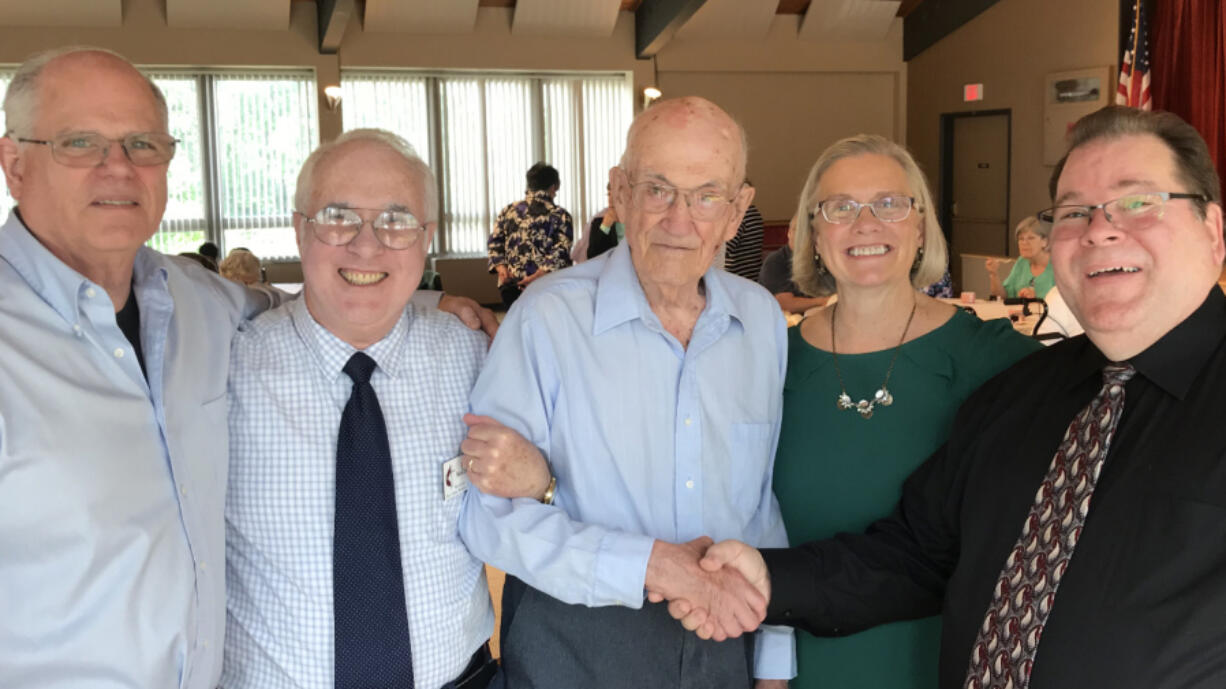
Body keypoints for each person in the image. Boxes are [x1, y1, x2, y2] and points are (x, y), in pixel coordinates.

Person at [677, 106, 1226, 688]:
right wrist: (765, 577)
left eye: (1137, 202)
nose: (1100, 229)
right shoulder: (1023, 394)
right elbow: (916, 554)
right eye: (1074, 212)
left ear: (1213, 230)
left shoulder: (994, 359)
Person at [0, 47, 493, 689]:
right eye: (80, 142)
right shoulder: (236, 349)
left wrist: (423, 300)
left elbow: (336, 297)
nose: (116, 169)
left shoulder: (193, 304)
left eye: (143, 144)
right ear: (14, 163)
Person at [458, 96, 795, 689]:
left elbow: (760, 504)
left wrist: (771, 664)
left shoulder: (761, 321)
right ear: (619, 193)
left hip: (725, 647)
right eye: (657, 189)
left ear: (738, 210)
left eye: (707, 195)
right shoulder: (547, 318)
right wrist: (651, 566)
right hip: (576, 648)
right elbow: (487, 515)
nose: (679, 219)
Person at [224, 129, 507, 689]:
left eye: (397, 221)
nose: (368, 245)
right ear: (300, 229)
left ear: (426, 237)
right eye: (338, 216)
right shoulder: (225, 370)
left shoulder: (478, 357)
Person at [766, 134, 1041, 689]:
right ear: (814, 234)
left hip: (946, 660)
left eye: (890, 204)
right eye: (840, 208)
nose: (866, 223)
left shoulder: (999, 361)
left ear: (920, 226)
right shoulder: (769, 365)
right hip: (799, 665)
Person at [487, 162, 574, 309]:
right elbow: (561, 252)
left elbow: (494, 244)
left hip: (511, 287)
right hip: (547, 288)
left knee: (516, 327)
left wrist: (503, 270)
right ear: (554, 186)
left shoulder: (508, 211)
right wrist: (538, 276)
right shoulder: (561, 216)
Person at [757, 215, 827, 315]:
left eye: (809, 232)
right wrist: (823, 301)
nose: (803, 236)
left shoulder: (821, 258)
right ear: (789, 233)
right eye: (798, 231)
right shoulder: (776, 261)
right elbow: (784, 304)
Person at [986, 216, 1055, 299]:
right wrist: (993, 274)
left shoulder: (1059, 266)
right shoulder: (1022, 262)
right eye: (1021, 239)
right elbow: (1002, 296)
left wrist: (1035, 299)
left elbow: (1063, 304)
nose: (1024, 243)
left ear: (1045, 241)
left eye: (1031, 238)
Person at [724, 198, 764, 280]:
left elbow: (725, 249)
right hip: (751, 274)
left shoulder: (739, 215)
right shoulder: (753, 212)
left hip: (736, 277)